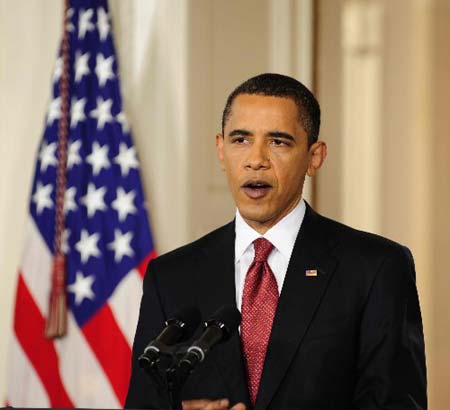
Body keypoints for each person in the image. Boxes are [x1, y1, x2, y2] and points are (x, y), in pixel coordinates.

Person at [125, 73, 427, 410]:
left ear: (315, 157)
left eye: (278, 142)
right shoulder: (171, 276)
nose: (256, 160)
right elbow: (144, 403)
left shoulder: (376, 268)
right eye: (240, 140)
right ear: (220, 150)